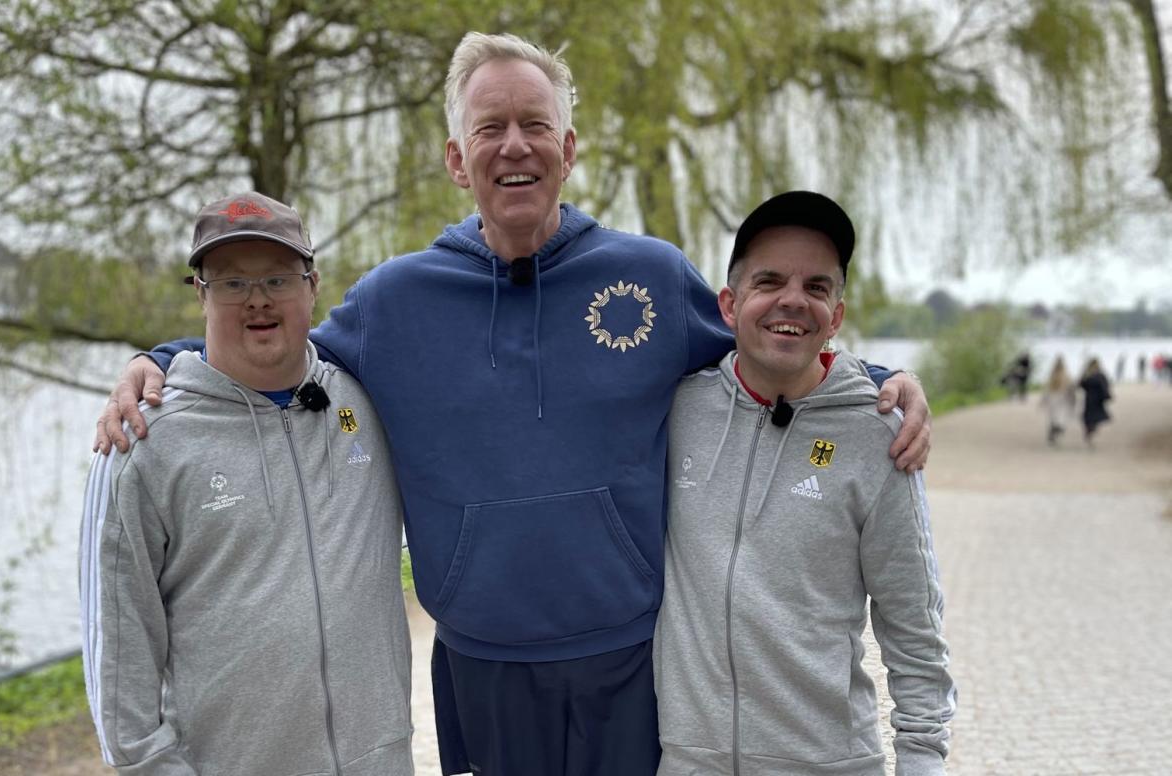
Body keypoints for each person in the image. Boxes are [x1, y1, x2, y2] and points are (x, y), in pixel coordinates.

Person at [93, 34, 932, 776]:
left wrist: (873, 374)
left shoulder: (652, 275)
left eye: (534, 124)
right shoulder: (396, 301)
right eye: (489, 129)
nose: (514, 145)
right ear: (458, 160)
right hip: (482, 666)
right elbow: (273, 348)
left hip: (630, 660)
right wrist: (164, 359)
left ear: (568, 148)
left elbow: (773, 343)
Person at [79, 192, 413, 775]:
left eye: (279, 279)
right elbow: (118, 655)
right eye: (231, 283)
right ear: (200, 294)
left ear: (312, 286)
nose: (258, 299)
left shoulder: (370, 398)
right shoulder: (143, 444)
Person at [654, 191, 954, 776]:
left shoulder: (878, 434)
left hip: (829, 762)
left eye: (817, 287)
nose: (793, 300)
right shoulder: (674, 408)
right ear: (729, 304)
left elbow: (915, 631)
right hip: (689, 762)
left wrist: (922, 763)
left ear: (836, 316)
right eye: (769, 282)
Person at [1041, 355, 1075, 446]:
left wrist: (1044, 400)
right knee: (1058, 419)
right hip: (1060, 400)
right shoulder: (1063, 376)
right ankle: (1054, 432)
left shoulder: (1055, 375)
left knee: (1055, 418)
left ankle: (1054, 432)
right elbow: (1070, 389)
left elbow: (1046, 390)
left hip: (1056, 400)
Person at [1079, 357, 1112, 448]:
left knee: (1090, 418)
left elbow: (1081, 384)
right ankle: (1090, 431)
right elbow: (1105, 387)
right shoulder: (1100, 375)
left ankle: (1089, 431)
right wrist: (1107, 396)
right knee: (1095, 418)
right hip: (1097, 400)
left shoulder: (1087, 375)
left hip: (1090, 399)